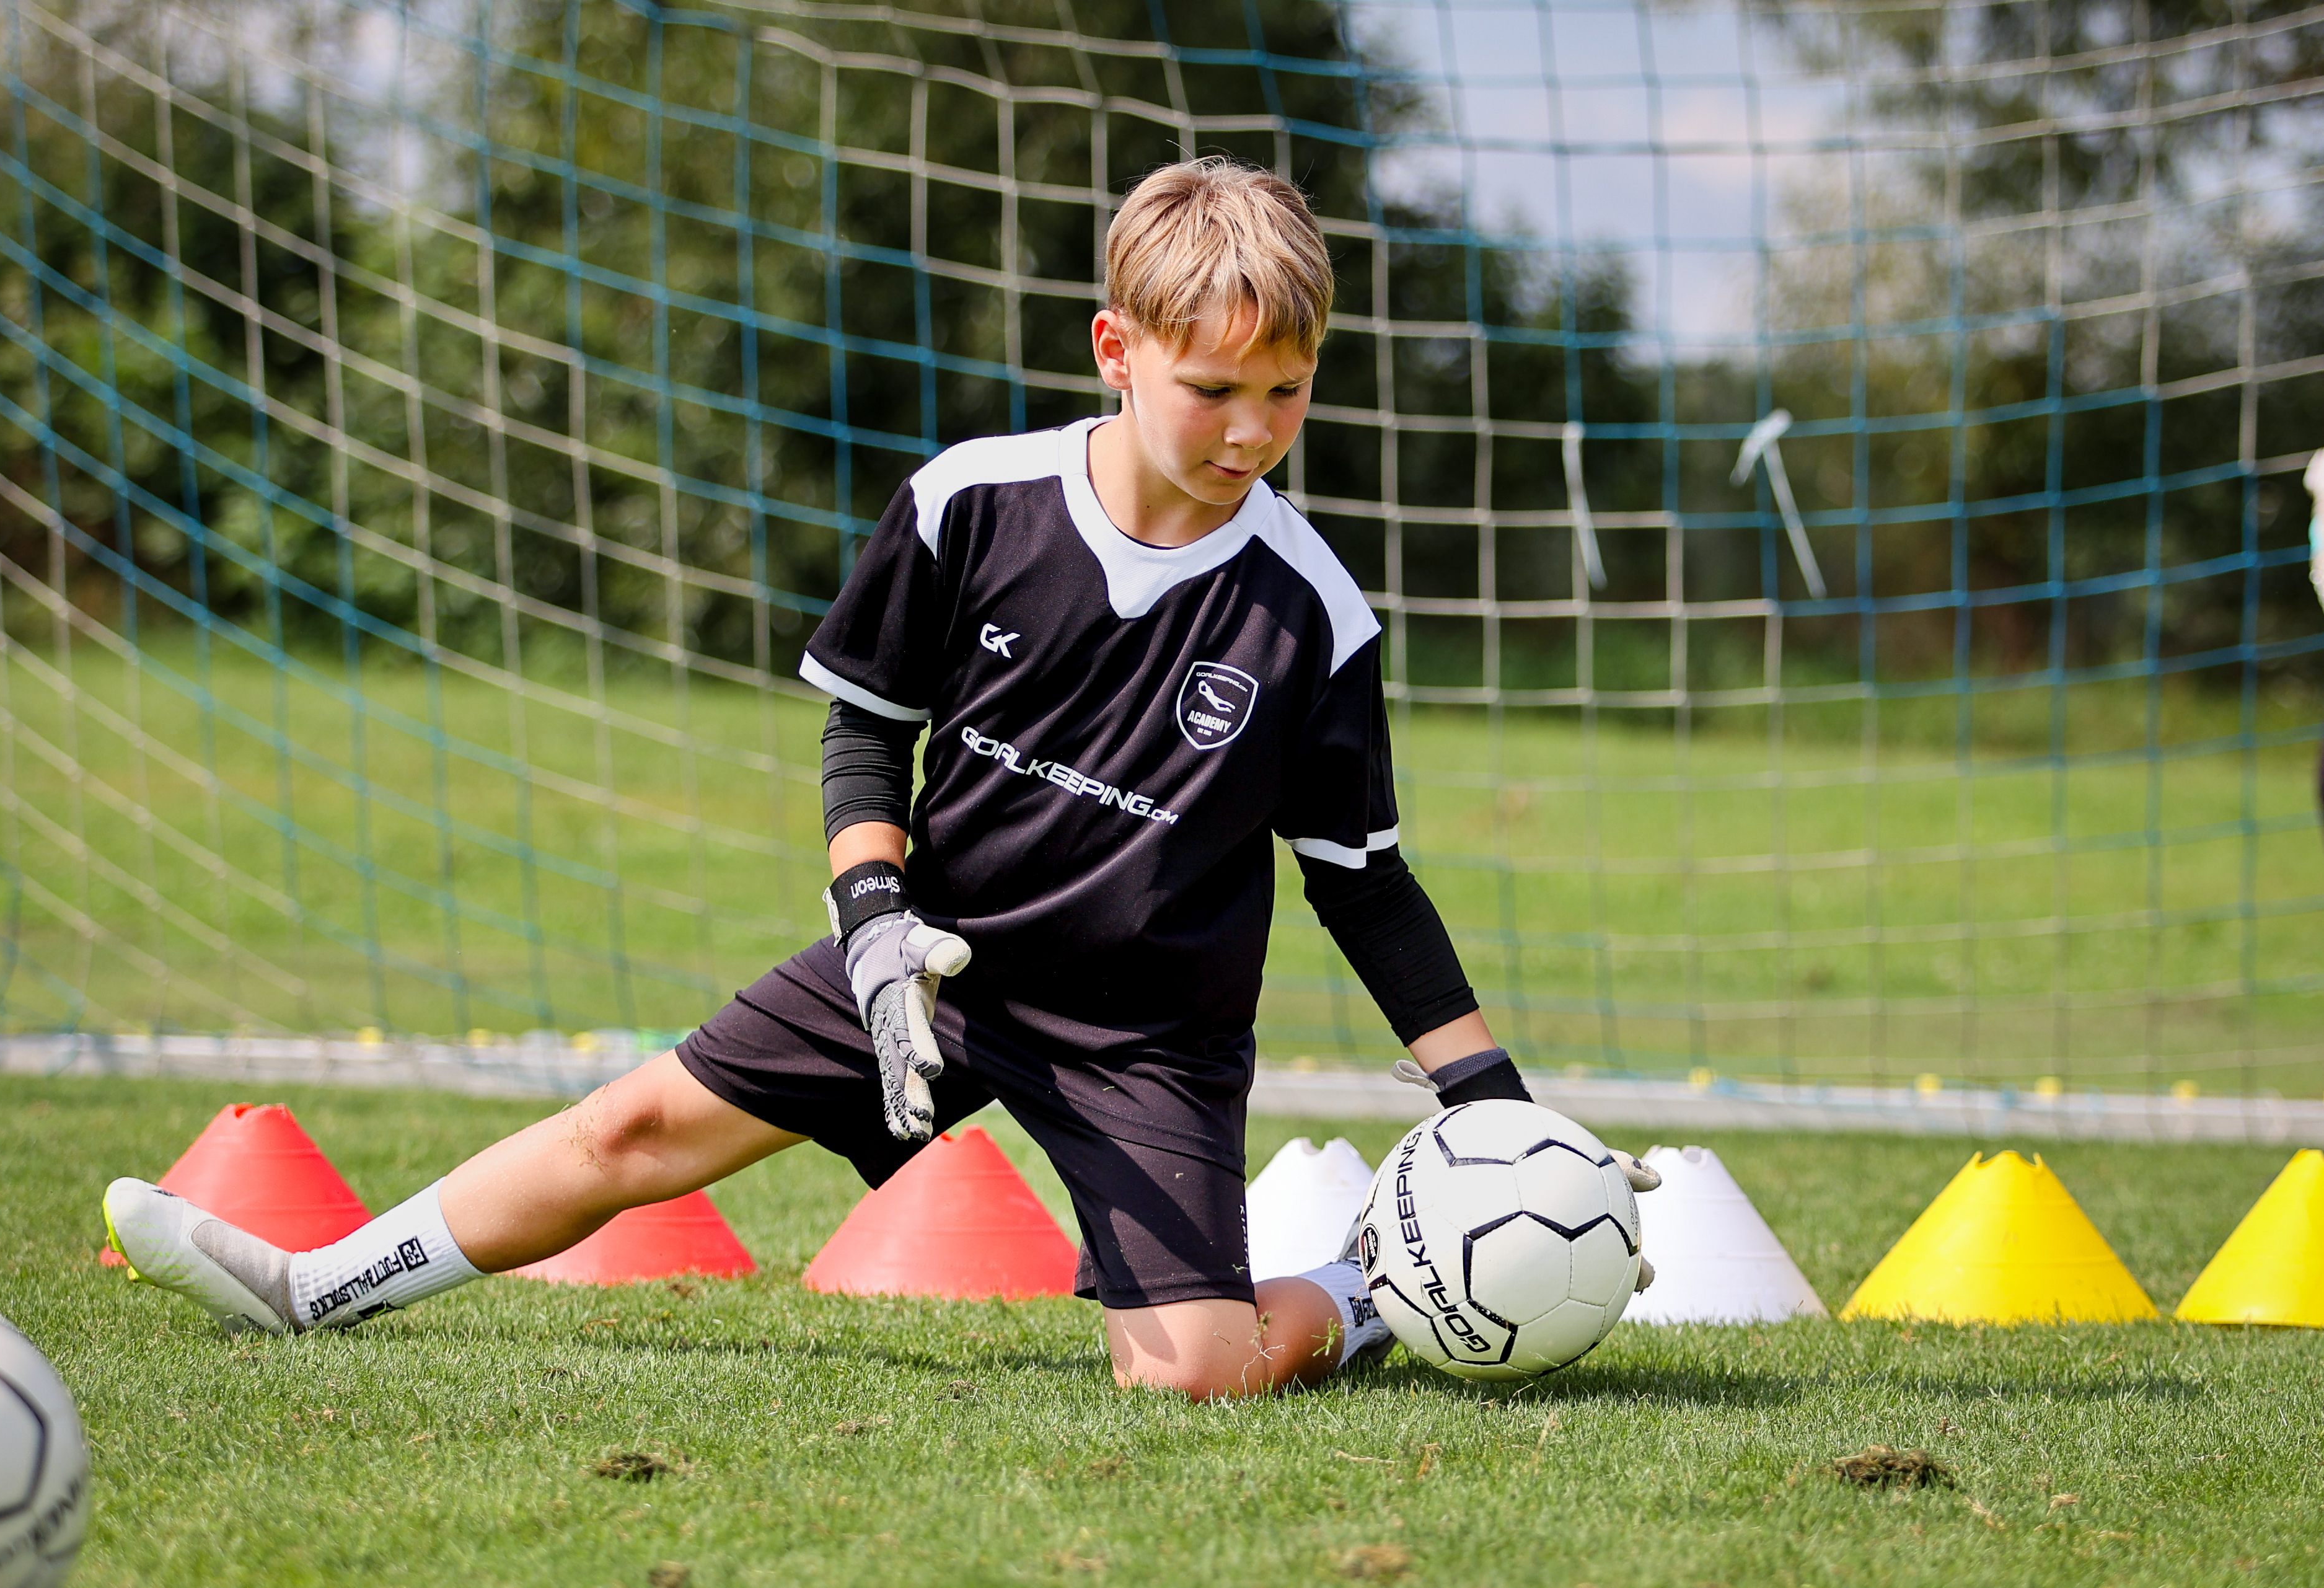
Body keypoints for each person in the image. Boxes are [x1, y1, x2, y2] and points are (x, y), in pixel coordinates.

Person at [102, 158, 1654, 1400]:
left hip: (1146, 1035)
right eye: (1213, 390)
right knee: (627, 1133)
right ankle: (308, 1289)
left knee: (1190, 1378)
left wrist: (1492, 1117)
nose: (1252, 432)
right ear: (1117, 351)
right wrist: (873, 922)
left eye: (1287, 393)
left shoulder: (1310, 612)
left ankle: (1366, 1291)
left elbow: (1360, 881)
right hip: (930, 963)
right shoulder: (969, 506)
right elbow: (865, 732)